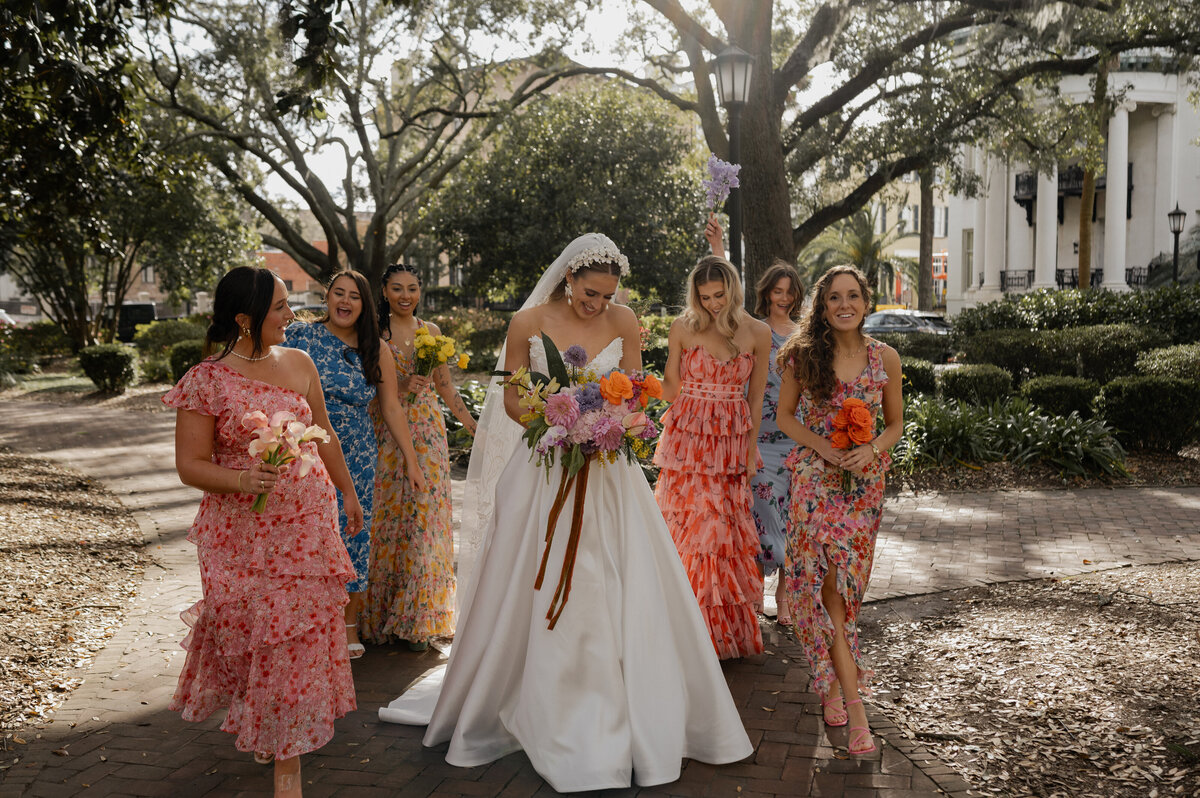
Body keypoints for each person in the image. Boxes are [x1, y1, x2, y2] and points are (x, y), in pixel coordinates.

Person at [378, 233, 753, 792]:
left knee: (619, 573)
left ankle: (624, 701)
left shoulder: (625, 322)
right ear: (568, 279)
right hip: (546, 459)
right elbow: (509, 395)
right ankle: (533, 699)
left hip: (607, 466)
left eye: (606, 296)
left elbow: (632, 392)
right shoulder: (527, 323)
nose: (596, 304)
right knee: (534, 573)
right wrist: (553, 420)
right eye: (589, 293)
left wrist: (608, 422)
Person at [163, 266, 362, 797]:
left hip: (305, 529)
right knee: (247, 637)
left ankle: (288, 766)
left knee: (291, 642)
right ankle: (267, 720)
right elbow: (190, 465)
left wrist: (347, 492)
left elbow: (324, 435)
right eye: (279, 307)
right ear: (244, 318)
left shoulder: (299, 363)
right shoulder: (205, 379)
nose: (290, 315)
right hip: (238, 536)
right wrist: (242, 478)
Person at [774, 265, 903, 757]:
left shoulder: (885, 358)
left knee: (845, 594)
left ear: (866, 303)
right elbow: (785, 417)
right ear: (822, 307)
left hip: (862, 489)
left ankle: (830, 684)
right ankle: (856, 709)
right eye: (834, 298)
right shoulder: (803, 357)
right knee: (825, 591)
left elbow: (895, 423)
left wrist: (871, 449)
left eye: (853, 296)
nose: (844, 304)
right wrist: (822, 447)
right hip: (813, 485)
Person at [286, 270, 425, 660]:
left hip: (358, 453)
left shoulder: (374, 348)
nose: (345, 302)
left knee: (351, 535)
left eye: (354, 297)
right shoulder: (300, 337)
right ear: (326, 297)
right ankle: (301, 618)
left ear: (365, 304)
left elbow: (391, 406)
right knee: (304, 533)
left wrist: (412, 462)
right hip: (305, 450)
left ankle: (347, 625)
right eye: (338, 294)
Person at [653, 254, 771, 660]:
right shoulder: (683, 328)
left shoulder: (757, 332)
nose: (713, 304)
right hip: (687, 440)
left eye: (719, 295)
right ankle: (687, 633)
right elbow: (671, 389)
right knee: (692, 529)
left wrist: (751, 447)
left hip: (731, 443)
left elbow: (755, 398)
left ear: (733, 290)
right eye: (704, 297)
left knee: (721, 535)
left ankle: (717, 636)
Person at [362, 263, 478, 652]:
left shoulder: (432, 334)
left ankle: (420, 617)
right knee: (389, 515)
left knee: (426, 514)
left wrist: (473, 424)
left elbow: (445, 387)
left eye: (412, 288)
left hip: (428, 433)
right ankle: (382, 615)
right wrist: (399, 386)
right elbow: (372, 391)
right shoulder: (373, 334)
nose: (405, 295)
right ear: (384, 291)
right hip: (386, 432)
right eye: (397, 288)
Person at [706, 217, 805, 627]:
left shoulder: (805, 334)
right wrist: (718, 247)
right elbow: (726, 298)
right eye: (776, 291)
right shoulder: (754, 328)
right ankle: (756, 590)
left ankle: (783, 599)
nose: (783, 297)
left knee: (794, 516)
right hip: (758, 435)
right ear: (766, 293)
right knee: (761, 507)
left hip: (795, 435)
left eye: (790, 292)